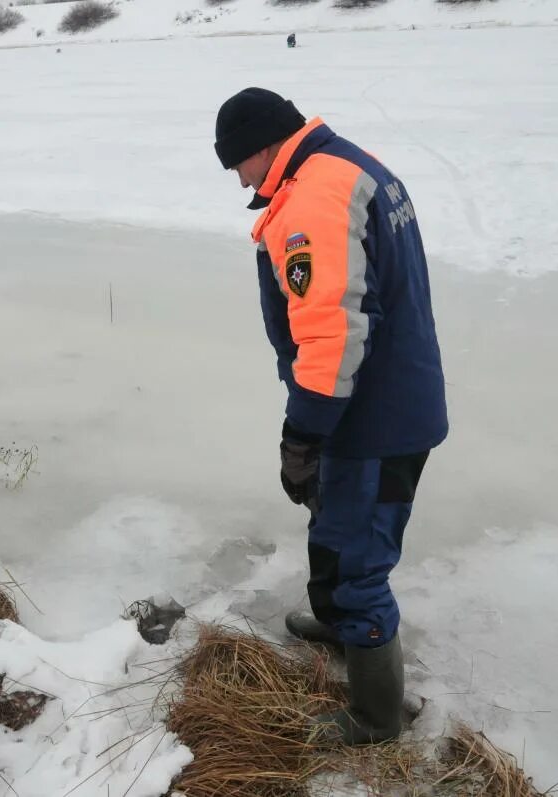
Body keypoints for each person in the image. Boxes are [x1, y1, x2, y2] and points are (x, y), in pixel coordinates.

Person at [213, 88, 448, 745]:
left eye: (239, 164)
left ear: (264, 145)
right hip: (377, 401)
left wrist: (303, 432)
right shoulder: (340, 166)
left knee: (357, 563)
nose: (240, 179)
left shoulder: (314, 199)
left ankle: (375, 717)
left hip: (371, 416)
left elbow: (333, 334)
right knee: (335, 522)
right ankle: (342, 623)